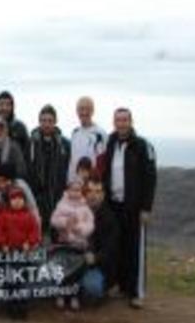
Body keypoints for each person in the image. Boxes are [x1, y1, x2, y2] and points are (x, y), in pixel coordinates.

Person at [102, 108, 157, 309]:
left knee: (135, 248)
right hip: (113, 204)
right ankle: (121, 285)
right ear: (114, 122)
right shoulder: (109, 142)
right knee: (117, 246)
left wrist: (146, 208)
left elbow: (150, 178)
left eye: (125, 120)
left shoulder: (142, 146)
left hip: (134, 206)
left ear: (131, 121)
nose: (121, 123)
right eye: (118, 120)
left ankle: (137, 292)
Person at [25, 104, 70, 240]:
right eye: (43, 120)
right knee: (37, 235)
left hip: (57, 194)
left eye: (50, 121)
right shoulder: (31, 142)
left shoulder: (64, 144)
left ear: (55, 122)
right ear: (39, 122)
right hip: (37, 195)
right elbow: (27, 166)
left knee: (56, 235)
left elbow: (69, 167)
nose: (46, 124)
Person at [80, 179, 120, 308]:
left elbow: (111, 249)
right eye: (90, 191)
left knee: (92, 289)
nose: (93, 195)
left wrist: (95, 258)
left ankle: (105, 287)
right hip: (73, 261)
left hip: (96, 266)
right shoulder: (75, 210)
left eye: (98, 192)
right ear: (84, 193)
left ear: (103, 195)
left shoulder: (110, 219)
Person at [67, 96, 108, 182]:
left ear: (93, 111)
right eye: (81, 109)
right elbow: (72, 160)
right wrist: (70, 181)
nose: (84, 112)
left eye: (87, 109)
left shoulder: (100, 134)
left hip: (92, 186)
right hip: (75, 185)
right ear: (77, 111)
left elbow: (102, 163)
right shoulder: (75, 133)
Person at [50, 179, 95, 250]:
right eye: (73, 190)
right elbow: (53, 220)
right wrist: (65, 222)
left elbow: (90, 223)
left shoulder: (85, 206)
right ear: (68, 191)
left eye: (78, 190)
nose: (76, 193)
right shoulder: (62, 204)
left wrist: (80, 228)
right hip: (64, 241)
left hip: (80, 242)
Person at [0, 186, 42, 253]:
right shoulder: (3, 216)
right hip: (7, 250)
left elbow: (34, 231)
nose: (17, 201)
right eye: (14, 199)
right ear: (9, 201)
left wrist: (29, 242)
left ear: (24, 201)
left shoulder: (29, 216)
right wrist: (3, 244)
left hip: (26, 249)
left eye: (20, 198)